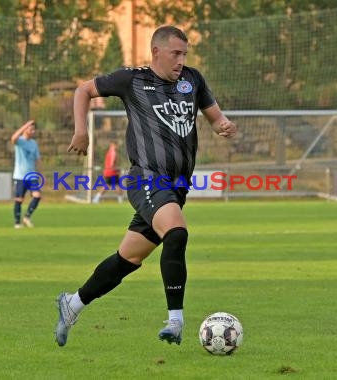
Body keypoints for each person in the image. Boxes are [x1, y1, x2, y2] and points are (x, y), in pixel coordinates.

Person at [54, 25, 237, 348]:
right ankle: (175, 321)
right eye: (175, 53)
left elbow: (215, 116)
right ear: (156, 52)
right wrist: (81, 131)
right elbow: (83, 90)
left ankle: (72, 304)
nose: (181, 60)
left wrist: (222, 124)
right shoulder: (133, 79)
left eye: (184, 54)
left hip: (177, 187)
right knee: (177, 233)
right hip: (147, 178)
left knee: (127, 260)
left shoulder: (192, 80)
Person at [11, 120, 42, 228]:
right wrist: (25, 125)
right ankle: (17, 222)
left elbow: (38, 159)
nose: (33, 131)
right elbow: (13, 138)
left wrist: (40, 173)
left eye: (34, 129)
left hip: (32, 175)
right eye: (31, 129)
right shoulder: (19, 141)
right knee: (19, 199)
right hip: (20, 176)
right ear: (25, 129)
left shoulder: (34, 143)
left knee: (37, 196)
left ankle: (27, 217)